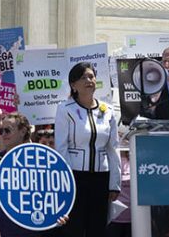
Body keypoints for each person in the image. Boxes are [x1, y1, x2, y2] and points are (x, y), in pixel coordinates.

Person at [55, 62, 121, 237]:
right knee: (74, 227)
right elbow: (61, 147)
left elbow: (113, 149)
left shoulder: (108, 111)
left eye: (91, 76)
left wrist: (115, 183)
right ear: (73, 84)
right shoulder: (65, 109)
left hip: (101, 178)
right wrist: (66, 181)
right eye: (83, 77)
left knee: (98, 227)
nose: (89, 80)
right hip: (75, 177)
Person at [0, 112, 37, 237]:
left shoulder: (39, 161)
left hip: (32, 230)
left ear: (23, 131)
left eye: (7, 130)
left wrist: (56, 215)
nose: (2, 135)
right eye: (0, 130)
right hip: (2, 231)